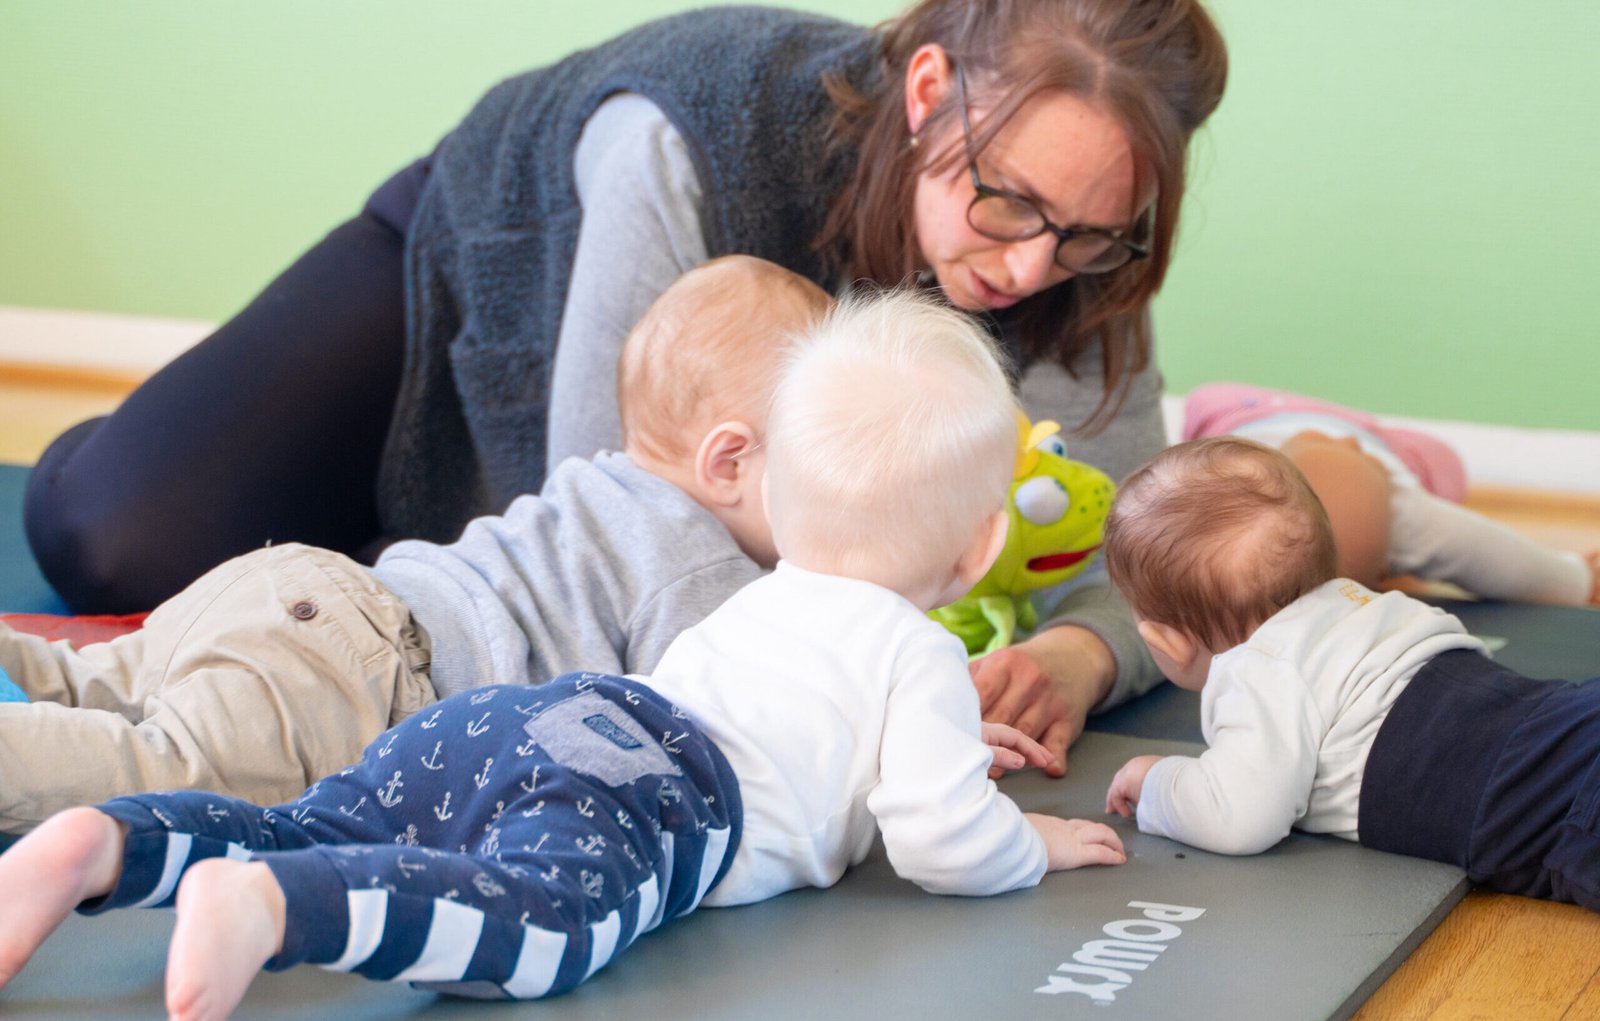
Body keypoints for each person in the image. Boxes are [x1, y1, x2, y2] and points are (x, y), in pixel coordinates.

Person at [22, 0, 1230, 775]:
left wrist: (1079, 654)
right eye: (1005, 202)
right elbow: (613, 508)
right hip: (466, 273)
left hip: (433, 600)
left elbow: (1138, 547)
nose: (1027, 266)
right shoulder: (692, 128)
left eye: (1085, 233)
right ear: (925, 98)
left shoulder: (1082, 263)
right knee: (117, 537)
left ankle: (387, 546)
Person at [0, 291, 1126, 1016]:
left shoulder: (759, 594)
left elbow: (829, 729)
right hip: (650, 787)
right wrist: (1022, 846)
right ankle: (274, 904)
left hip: (513, 714)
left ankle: (103, 845)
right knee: (542, 921)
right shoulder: (915, 651)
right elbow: (937, 834)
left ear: (772, 482)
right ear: (988, 545)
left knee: (325, 810)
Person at [0, 256, 827, 833]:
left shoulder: (598, 480)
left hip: (308, 587)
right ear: (728, 459)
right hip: (366, 678)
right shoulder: (701, 565)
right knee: (165, 773)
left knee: (82, 679)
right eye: (823, 462)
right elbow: (733, 732)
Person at [1100, 436, 1600, 911]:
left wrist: (1158, 783)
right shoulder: (1373, 605)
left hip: (1549, 810)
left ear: (1165, 642)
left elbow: (1239, 817)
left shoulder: (1258, 673)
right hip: (1569, 719)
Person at [1183, 381, 1600, 605]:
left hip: (1239, 413)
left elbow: (1489, 555)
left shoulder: (1399, 512)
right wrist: (1575, 580)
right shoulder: (1213, 489)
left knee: (1444, 465)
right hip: (1238, 409)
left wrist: (1574, 581)